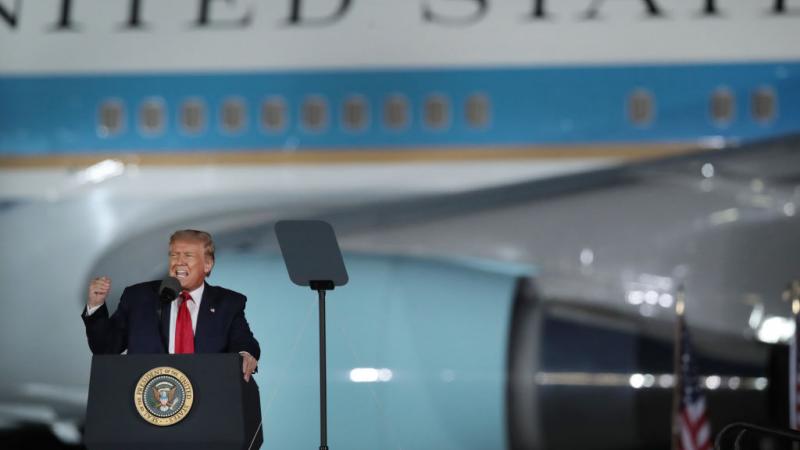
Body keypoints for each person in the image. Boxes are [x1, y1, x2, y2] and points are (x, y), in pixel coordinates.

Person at [81, 229, 260, 381]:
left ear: (207, 264)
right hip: (146, 404)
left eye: (188, 255)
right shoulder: (139, 297)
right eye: (174, 255)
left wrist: (245, 355)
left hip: (207, 401)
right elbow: (105, 348)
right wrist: (95, 306)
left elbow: (243, 341)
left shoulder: (227, 303)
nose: (179, 262)